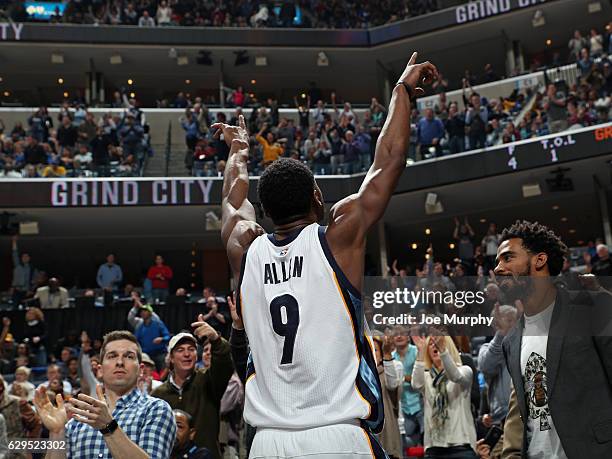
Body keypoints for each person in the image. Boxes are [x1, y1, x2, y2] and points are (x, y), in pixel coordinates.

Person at [215, 52, 437, 457]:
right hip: (337, 434)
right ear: (316, 197)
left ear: (266, 210)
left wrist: (238, 150)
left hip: (268, 442)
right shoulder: (337, 237)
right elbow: (389, 162)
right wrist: (402, 91)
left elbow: (231, 204)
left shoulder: (244, 247)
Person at [496, 220, 612, 458]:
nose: (498, 268)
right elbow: (518, 412)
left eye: (507, 258)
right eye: (497, 261)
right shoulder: (511, 340)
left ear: (539, 260)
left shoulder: (588, 307)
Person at [33, 330, 176, 459]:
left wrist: (109, 427)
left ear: (140, 370)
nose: (119, 362)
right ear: (100, 370)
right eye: (112, 356)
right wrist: (57, 433)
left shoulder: (156, 410)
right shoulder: (78, 421)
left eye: (129, 356)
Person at [152, 329, 233, 459]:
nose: (187, 354)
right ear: (171, 358)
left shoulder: (209, 381)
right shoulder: (158, 394)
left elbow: (225, 364)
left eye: (191, 349)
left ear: (196, 355)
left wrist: (216, 340)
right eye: (180, 350)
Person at [412, 335, 478, 458]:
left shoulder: (465, 370)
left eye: (438, 343)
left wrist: (443, 352)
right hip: (433, 447)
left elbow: (455, 376)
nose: (434, 346)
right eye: (430, 344)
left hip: (461, 446)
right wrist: (420, 352)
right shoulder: (426, 377)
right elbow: (416, 384)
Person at [372, 334, 404, 458]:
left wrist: (387, 354)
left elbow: (392, 385)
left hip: (387, 435)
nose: (371, 353)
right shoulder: (358, 377)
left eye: (375, 349)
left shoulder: (388, 373)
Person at [393, 331, 424, 450]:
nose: (399, 336)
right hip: (404, 406)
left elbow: (421, 378)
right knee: (405, 443)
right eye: (396, 334)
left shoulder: (417, 351)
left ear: (408, 337)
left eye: (401, 333)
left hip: (420, 403)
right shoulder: (391, 357)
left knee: (426, 435)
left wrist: (403, 377)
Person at [127, 303, 170, 372]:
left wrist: (162, 339)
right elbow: (135, 340)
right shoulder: (140, 326)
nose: (143, 313)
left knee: (163, 371)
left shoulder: (158, 323)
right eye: (142, 311)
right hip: (146, 355)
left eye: (145, 311)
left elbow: (167, 336)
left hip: (160, 353)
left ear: (150, 313)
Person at [10, 235, 38, 307]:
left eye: (26, 257)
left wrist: (31, 290)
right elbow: (14, 253)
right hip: (17, 290)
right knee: (14, 308)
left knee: (26, 308)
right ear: (21, 258)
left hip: (26, 291)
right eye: (23, 257)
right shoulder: (18, 266)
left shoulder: (32, 268)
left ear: (29, 258)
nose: (25, 258)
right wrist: (14, 241)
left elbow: (36, 281)